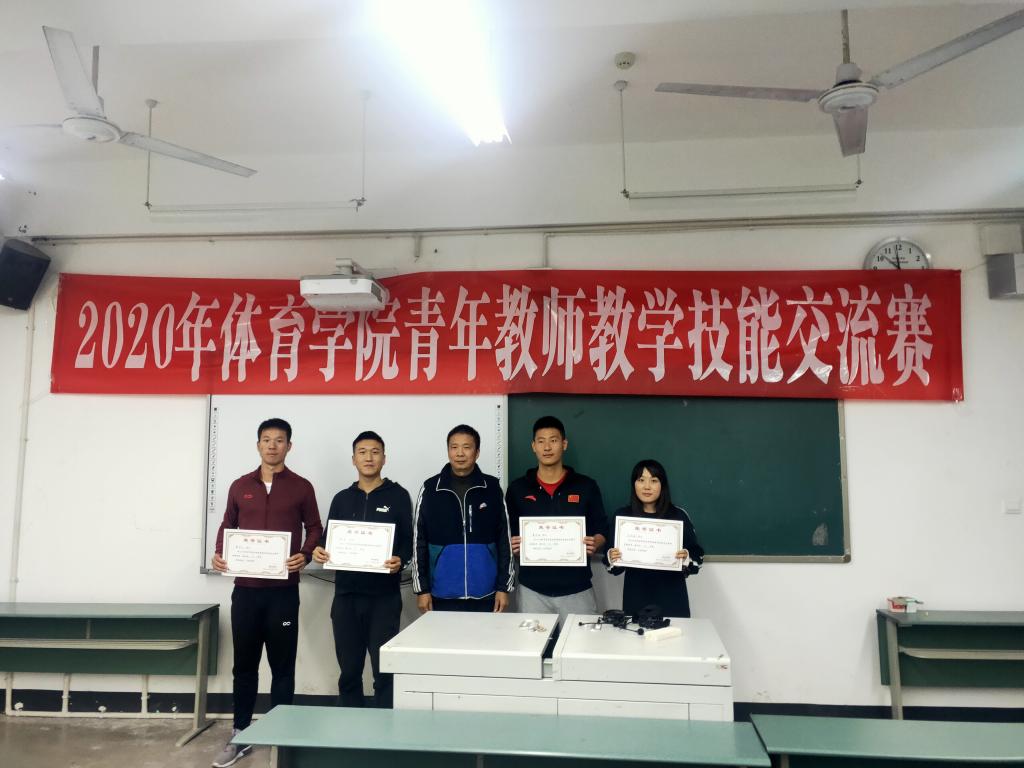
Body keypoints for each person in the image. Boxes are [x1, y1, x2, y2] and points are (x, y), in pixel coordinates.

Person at [210, 418, 323, 768]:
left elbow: (315, 527)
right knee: (244, 666)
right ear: (258, 445)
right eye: (266, 440)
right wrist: (220, 553)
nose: (272, 446)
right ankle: (241, 733)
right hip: (246, 592)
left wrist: (305, 554)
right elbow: (228, 525)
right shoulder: (240, 486)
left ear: (289, 446)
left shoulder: (302, 487)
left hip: (283, 593)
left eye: (279, 440)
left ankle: (281, 735)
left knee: (283, 667)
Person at [311, 431, 412, 709]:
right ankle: (350, 725)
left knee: (385, 672)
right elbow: (327, 540)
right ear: (353, 459)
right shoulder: (342, 498)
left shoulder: (398, 496)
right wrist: (319, 550)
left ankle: (386, 728)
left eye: (375, 452)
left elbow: (408, 541)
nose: (369, 457)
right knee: (349, 672)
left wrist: (401, 559)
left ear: (384, 458)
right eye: (363, 452)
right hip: (346, 597)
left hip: (384, 598)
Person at [505, 415, 608, 622]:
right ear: (533, 446)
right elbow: (507, 533)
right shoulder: (518, 489)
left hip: (577, 589)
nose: (547, 447)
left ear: (564, 444)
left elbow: (602, 529)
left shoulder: (586, 486)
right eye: (541, 441)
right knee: (532, 643)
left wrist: (596, 542)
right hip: (532, 590)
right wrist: (512, 545)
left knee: (579, 643)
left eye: (553, 440)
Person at [412, 424, 514, 612]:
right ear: (448, 451)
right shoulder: (430, 488)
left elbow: (504, 540)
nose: (460, 453)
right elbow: (419, 540)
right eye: (454, 447)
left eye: (467, 447)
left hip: (487, 593)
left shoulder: (492, 487)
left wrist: (504, 587)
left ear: (477, 452)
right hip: (441, 593)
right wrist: (422, 589)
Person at [605, 459, 704, 619]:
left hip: (672, 597)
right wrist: (612, 557)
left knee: (674, 634)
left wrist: (686, 557)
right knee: (636, 634)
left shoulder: (678, 515)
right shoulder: (623, 517)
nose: (647, 486)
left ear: (662, 485)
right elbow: (614, 569)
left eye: (654, 480)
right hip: (636, 597)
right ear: (634, 484)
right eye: (641, 480)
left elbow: (697, 558)